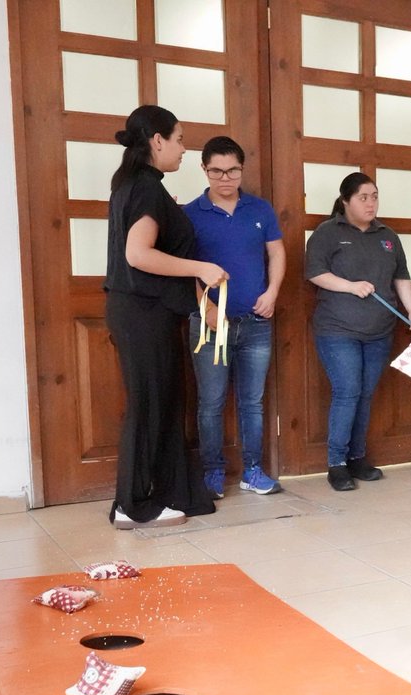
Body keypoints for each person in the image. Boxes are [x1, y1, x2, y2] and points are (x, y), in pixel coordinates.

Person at [103, 105, 227, 530]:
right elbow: (138, 256)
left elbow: (165, 254)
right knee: (150, 404)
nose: (183, 148)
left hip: (149, 311)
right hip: (141, 312)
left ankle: (165, 493)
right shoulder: (144, 187)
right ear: (157, 139)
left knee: (163, 401)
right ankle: (135, 505)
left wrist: (202, 303)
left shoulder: (139, 185)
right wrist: (200, 270)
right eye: (178, 139)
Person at [306, 172, 411, 491]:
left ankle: (357, 458)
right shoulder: (327, 233)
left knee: (365, 394)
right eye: (363, 197)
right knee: (348, 391)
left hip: (379, 332)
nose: (370, 203)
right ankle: (337, 463)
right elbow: (315, 273)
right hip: (337, 329)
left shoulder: (388, 235)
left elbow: (401, 276)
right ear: (346, 201)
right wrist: (350, 286)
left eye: (374, 196)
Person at [184, 136, 285, 498]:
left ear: (242, 169)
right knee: (210, 402)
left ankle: (253, 471)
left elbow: (276, 253)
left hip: (256, 323)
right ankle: (212, 472)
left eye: (233, 171)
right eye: (217, 171)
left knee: (252, 402)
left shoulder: (260, 210)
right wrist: (205, 307)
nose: (225, 179)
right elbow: (184, 270)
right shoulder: (190, 214)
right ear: (204, 170)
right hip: (210, 327)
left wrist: (272, 292)